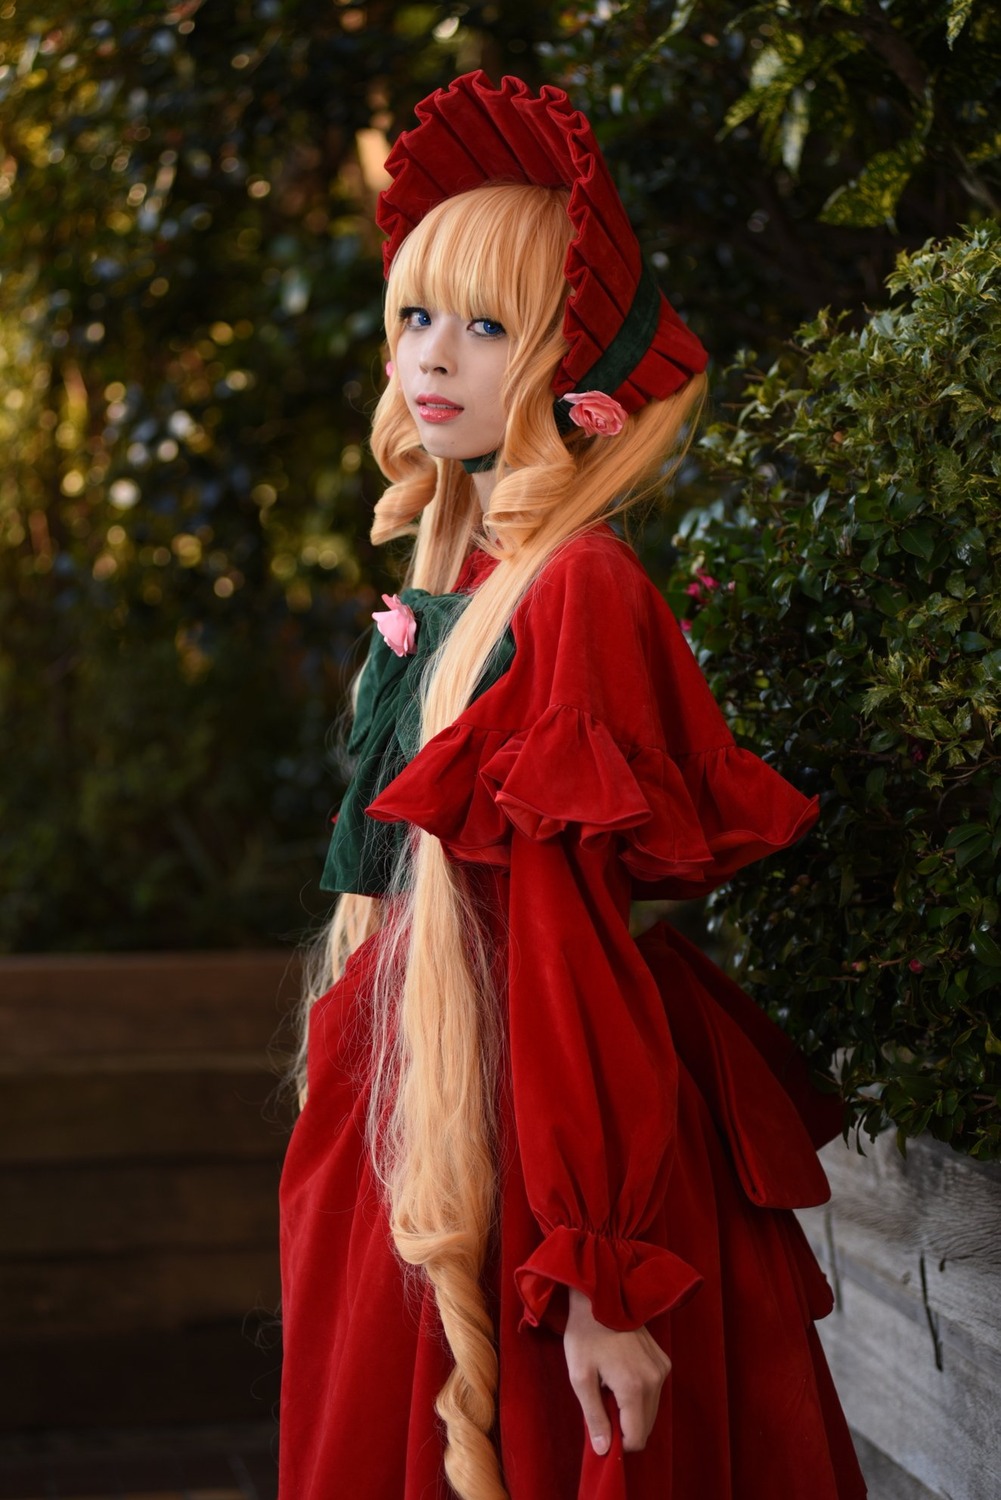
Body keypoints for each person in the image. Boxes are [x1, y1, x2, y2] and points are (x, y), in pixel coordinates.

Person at [278, 72, 867, 1500]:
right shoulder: (456, 584)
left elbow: (559, 946)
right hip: (423, 1128)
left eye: (488, 326)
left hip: (540, 1164)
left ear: (562, 362)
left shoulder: (581, 590)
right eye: (417, 316)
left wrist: (599, 1278)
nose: (435, 358)